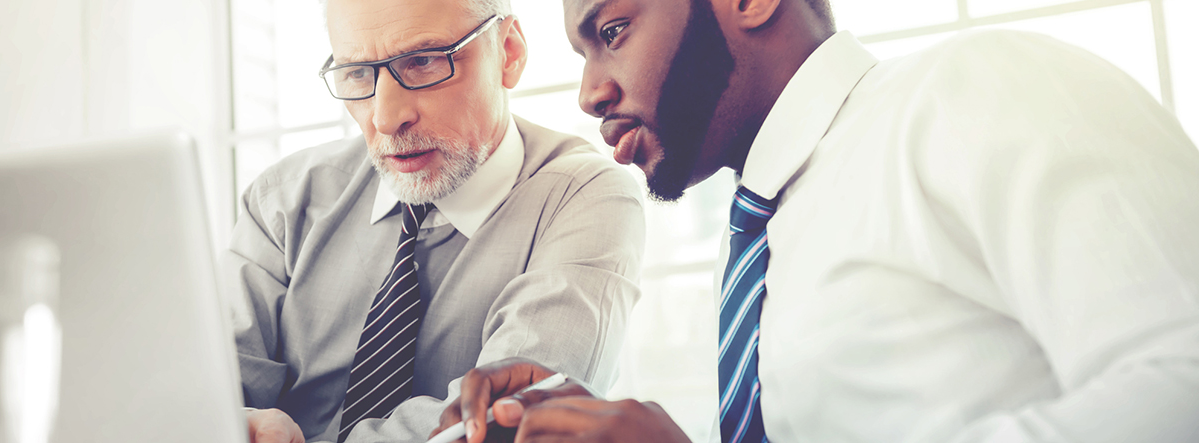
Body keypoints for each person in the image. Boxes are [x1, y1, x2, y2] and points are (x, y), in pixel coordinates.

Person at [438, 0, 1199, 442]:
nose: (589, 93)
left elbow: (1182, 386)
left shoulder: (977, 85)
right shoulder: (755, 244)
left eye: (611, 32)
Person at [224, 0, 646, 441]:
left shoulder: (582, 196)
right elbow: (202, 387)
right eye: (357, 73)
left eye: (423, 62)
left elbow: (506, 423)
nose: (386, 118)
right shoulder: (283, 200)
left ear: (509, 52)